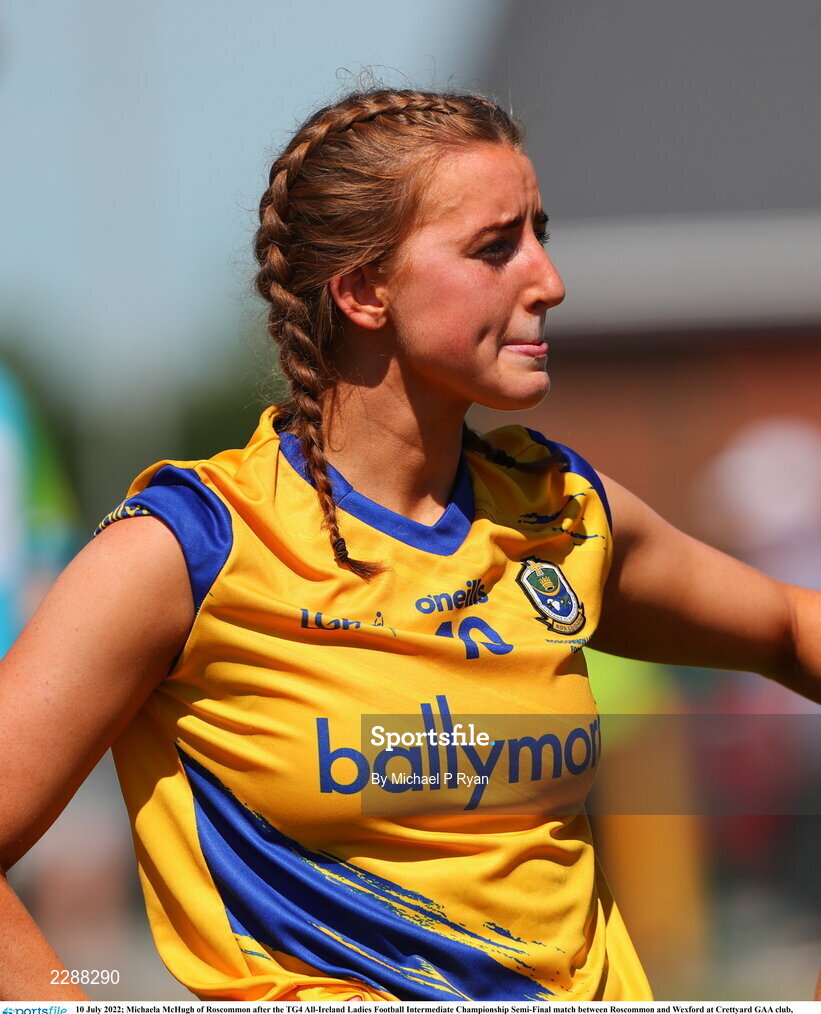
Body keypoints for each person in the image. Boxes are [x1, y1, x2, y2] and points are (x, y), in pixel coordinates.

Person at [1, 87, 819, 1003]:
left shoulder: (557, 508)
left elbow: (790, 625)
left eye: (539, 235)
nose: (547, 281)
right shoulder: (188, 548)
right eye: (493, 248)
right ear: (362, 291)